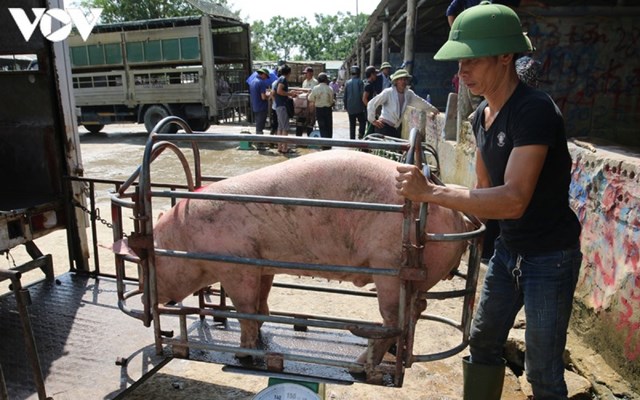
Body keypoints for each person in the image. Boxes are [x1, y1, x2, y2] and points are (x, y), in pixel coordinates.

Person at [395, 3, 582, 399]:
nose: (462, 73)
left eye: (472, 62)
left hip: (549, 256)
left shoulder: (535, 111)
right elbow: (483, 189)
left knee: (543, 370)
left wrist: (431, 192)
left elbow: (512, 199)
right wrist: (466, 243)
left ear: (505, 57)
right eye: (460, 63)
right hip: (508, 252)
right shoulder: (482, 116)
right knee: (481, 343)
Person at [366, 69, 438, 139]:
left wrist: (433, 109)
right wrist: (373, 120)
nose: (403, 82)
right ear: (396, 81)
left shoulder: (408, 94)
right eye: (400, 79)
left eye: (404, 79)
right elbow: (372, 103)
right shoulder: (388, 92)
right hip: (384, 126)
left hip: (394, 128)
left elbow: (420, 102)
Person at [274, 64, 299, 154]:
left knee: (280, 127)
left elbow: (277, 92)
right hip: (282, 106)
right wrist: (290, 94)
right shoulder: (283, 79)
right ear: (289, 72)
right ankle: (284, 148)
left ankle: (280, 147)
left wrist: (290, 94)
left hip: (279, 105)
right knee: (285, 127)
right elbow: (279, 91)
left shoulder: (279, 79)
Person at [307, 72, 334, 149]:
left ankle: (324, 144)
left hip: (319, 110)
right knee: (329, 126)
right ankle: (329, 144)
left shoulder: (315, 88)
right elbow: (331, 101)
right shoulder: (330, 88)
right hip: (328, 110)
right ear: (326, 80)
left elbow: (310, 98)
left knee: (322, 127)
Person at [248, 68, 271, 150]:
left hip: (255, 106)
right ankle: (260, 144)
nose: (266, 78)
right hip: (261, 107)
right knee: (260, 126)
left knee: (258, 125)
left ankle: (258, 142)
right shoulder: (261, 83)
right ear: (263, 74)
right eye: (266, 76)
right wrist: (269, 95)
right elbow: (263, 97)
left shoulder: (253, 82)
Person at [343, 65, 366, 140]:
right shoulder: (360, 82)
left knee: (352, 124)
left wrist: (346, 106)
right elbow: (362, 95)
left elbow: (345, 96)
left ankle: (352, 140)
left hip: (350, 108)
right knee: (362, 121)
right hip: (359, 107)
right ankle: (360, 134)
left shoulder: (347, 83)